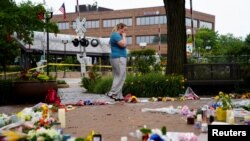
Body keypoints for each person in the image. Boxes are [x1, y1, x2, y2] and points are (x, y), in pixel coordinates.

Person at [105, 23, 128, 101]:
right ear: (120, 28)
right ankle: (112, 93)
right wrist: (124, 37)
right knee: (121, 76)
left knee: (118, 76)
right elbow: (123, 44)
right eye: (124, 30)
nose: (125, 32)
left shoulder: (115, 35)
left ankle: (118, 96)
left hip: (116, 57)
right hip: (119, 58)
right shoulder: (116, 35)